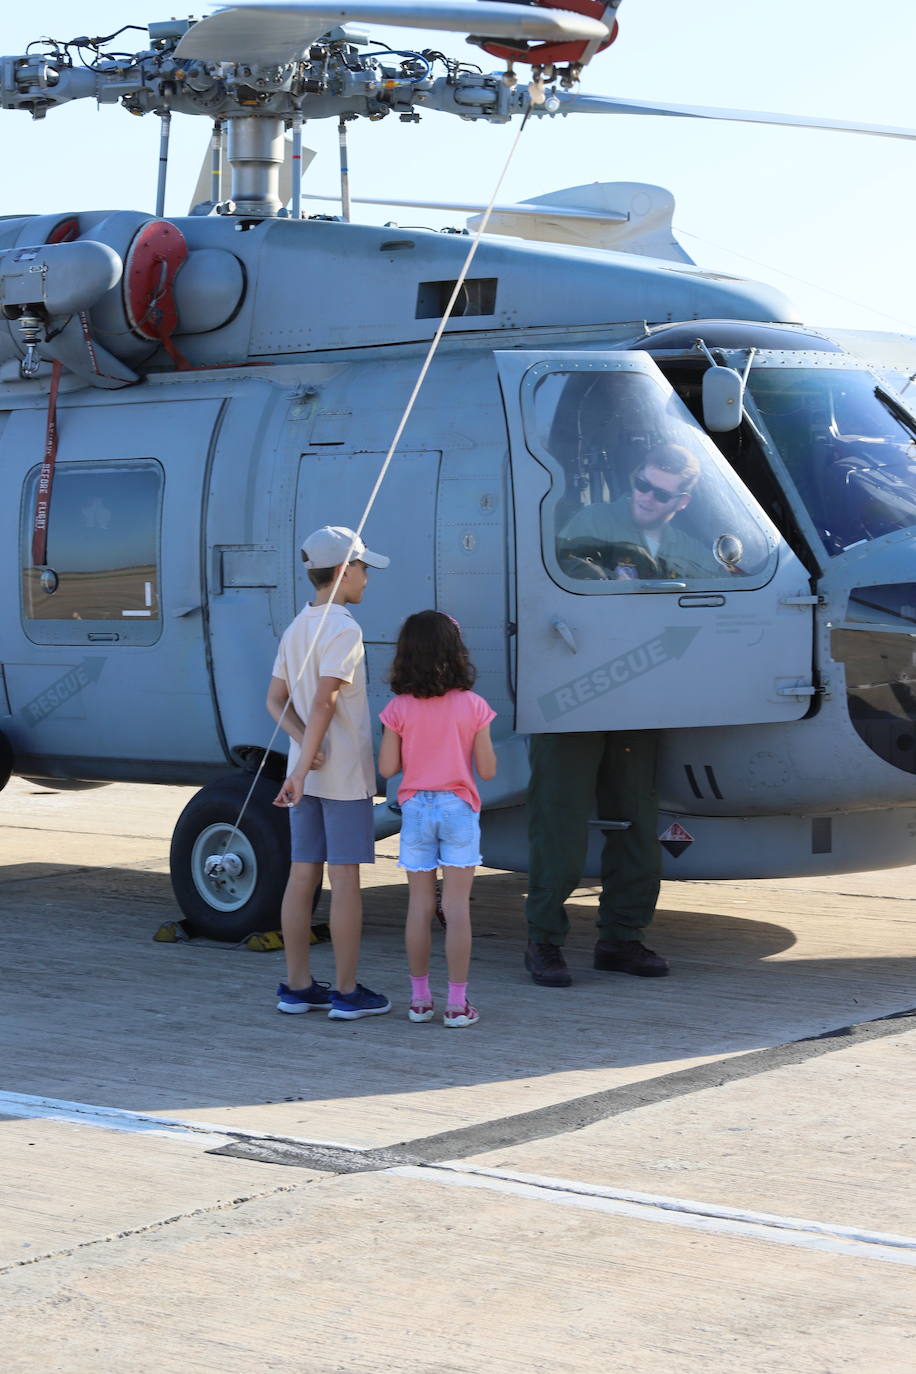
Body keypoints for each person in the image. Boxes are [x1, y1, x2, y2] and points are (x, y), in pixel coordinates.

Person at [267, 525, 391, 1021]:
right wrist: (309, 757)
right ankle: (345, 991)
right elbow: (326, 699)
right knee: (344, 881)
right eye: (363, 568)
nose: (367, 578)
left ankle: (297, 986)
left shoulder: (297, 626)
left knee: (302, 875)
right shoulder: (344, 628)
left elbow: (275, 701)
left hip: (309, 774)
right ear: (343, 572)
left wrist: (301, 750)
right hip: (341, 777)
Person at [378, 611, 496, 1028]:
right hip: (458, 807)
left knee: (419, 905)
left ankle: (419, 1000)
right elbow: (487, 770)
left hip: (415, 809)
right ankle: (458, 1005)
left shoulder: (398, 709)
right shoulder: (474, 706)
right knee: (456, 906)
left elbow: (388, 767)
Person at [558, 443, 715, 580]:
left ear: (682, 502)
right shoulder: (594, 521)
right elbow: (564, 564)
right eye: (643, 485)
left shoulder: (689, 549)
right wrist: (609, 584)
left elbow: (727, 580)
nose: (647, 498)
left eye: (662, 495)